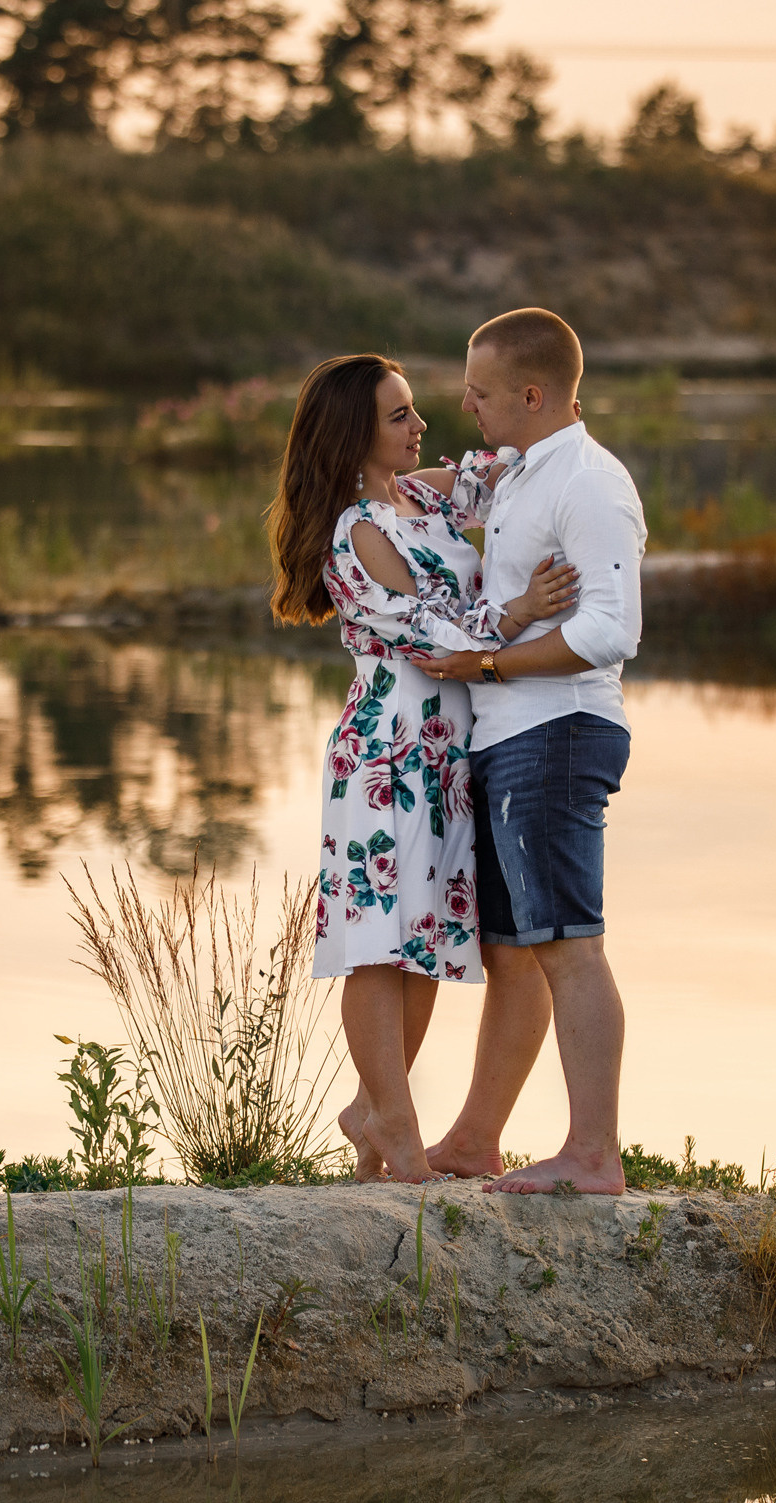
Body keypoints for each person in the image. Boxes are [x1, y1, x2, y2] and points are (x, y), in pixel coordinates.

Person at [266, 352, 580, 1184]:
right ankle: (397, 1133)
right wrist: (517, 612)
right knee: (378, 943)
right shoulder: (355, 531)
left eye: (416, 410)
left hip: (447, 753)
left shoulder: (422, 494)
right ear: (356, 434)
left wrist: (529, 407)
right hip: (386, 750)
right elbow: (433, 637)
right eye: (400, 415)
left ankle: (377, 1111)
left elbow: (504, 472)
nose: (421, 425)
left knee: (430, 940)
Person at [411, 308, 648, 1196]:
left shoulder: (586, 484)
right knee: (515, 948)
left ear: (532, 394)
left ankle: (593, 1153)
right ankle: (476, 1138)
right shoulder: (516, 475)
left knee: (570, 944)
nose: (465, 402)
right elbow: (435, 484)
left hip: (556, 732)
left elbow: (609, 629)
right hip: (510, 735)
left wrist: (489, 662)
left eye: (478, 389)